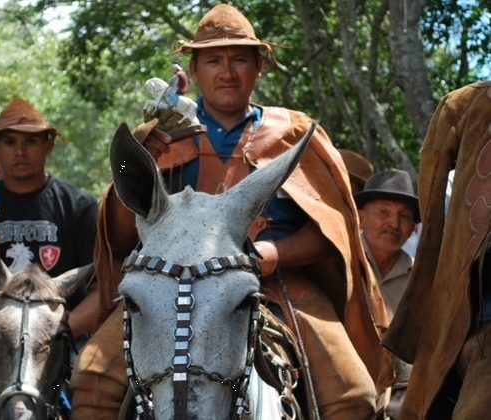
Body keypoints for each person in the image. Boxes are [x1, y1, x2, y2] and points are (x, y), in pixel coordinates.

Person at [71, 4, 394, 419]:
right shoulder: (164, 136)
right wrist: (140, 156)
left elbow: (334, 231)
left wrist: (276, 256)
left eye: (240, 59)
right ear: (195, 68)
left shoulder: (295, 134)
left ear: (259, 68)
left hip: (281, 286)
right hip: (170, 286)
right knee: (93, 377)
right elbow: (118, 237)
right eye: (213, 60)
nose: (227, 71)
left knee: (352, 393)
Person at [383, 80, 491, 418]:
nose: (393, 223)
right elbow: (434, 239)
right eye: (383, 213)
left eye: (401, 215)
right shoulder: (469, 106)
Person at [0, 97, 99, 340]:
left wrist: (59, 333)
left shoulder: (80, 206)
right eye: (9, 142)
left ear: (49, 146)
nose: (20, 152)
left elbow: (101, 292)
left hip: (64, 341)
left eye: (31, 141)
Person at [355, 169, 419, 315]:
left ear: (411, 230)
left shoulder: (420, 277)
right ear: (360, 219)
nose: (394, 224)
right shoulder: (342, 260)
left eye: (404, 216)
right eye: (384, 212)